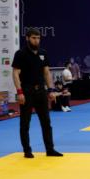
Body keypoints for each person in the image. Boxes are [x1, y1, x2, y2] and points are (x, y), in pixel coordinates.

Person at [12, 29, 62, 158]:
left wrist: (51, 90)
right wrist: (19, 92)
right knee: (25, 122)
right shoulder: (20, 54)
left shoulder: (43, 53)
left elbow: (46, 73)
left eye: (38, 38)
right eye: (34, 38)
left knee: (46, 122)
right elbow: (15, 74)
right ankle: (27, 150)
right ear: (27, 38)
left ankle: (50, 149)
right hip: (27, 91)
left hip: (41, 91)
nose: (36, 40)